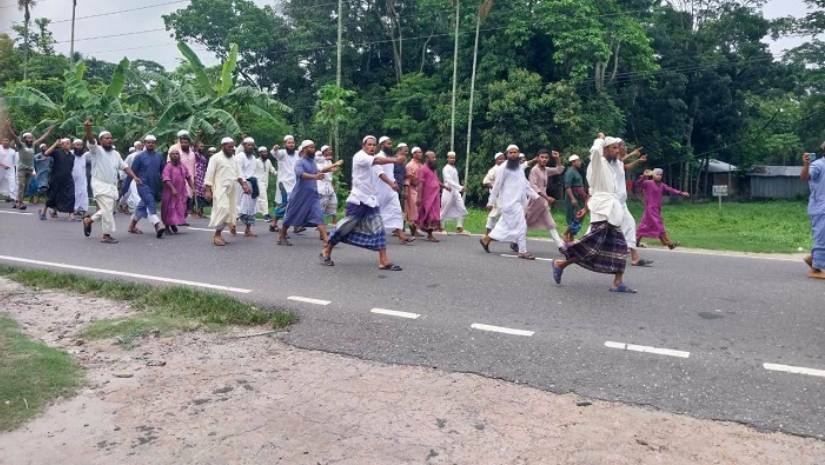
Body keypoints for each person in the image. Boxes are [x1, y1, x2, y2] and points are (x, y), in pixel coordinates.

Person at [552, 137, 635, 293]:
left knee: (620, 247)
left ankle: (618, 282)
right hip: (602, 211)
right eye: (614, 148)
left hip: (612, 211)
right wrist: (600, 140)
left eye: (618, 148)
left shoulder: (615, 165)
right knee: (591, 247)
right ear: (605, 149)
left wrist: (586, 208)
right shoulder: (598, 162)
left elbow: (621, 159)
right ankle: (559, 264)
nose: (617, 151)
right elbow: (595, 152)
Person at [322, 136, 406, 270]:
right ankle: (327, 251)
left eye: (374, 145)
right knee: (344, 228)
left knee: (379, 229)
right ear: (363, 146)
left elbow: (379, 170)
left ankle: (383, 261)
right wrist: (395, 159)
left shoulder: (373, 160)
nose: (372, 147)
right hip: (358, 200)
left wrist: (391, 183)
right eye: (369, 145)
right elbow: (377, 160)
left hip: (371, 200)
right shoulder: (360, 157)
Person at [80, 120, 140, 244]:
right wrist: (88, 129)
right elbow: (91, 140)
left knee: (108, 210)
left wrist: (134, 176)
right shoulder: (96, 150)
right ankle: (105, 235)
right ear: (101, 141)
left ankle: (89, 221)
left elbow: (125, 167)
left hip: (112, 187)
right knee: (107, 210)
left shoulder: (116, 154)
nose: (109, 140)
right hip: (99, 184)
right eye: (106, 138)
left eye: (110, 138)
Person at [479, 145, 540, 260]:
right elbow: (496, 186)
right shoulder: (503, 168)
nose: (513, 154)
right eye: (510, 152)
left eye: (515, 152)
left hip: (518, 203)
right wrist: (490, 202)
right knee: (522, 226)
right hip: (509, 204)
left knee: (503, 226)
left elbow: (525, 185)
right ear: (507, 154)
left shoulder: (519, 168)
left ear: (518, 153)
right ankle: (522, 251)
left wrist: (536, 197)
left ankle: (486, 240)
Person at [278, 140, 342, 246]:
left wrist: (330, 169)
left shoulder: (312, 162)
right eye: (310, 147)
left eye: (314, 147)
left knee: (319, 217)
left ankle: (327, 242)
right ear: (304, 149)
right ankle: (282, 236)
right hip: (299, 196)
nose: (313, 149)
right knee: (290, 217)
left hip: (312, 196)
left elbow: (317, 171)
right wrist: (314, 177)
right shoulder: (299, 162)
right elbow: (300, 174)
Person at [204, 138, 251, 246]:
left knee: (230, 213)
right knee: (223, 210)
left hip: (232, 189)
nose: (232, 149)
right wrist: (208, 190)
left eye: (233, 146)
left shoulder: (234, 159)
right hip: (219, 188)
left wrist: (244, 185)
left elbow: (239, 174)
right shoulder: (215, 158)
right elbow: (209, 174)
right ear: (222, 146)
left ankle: (220, 234)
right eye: (229, 147)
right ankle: (216, 235)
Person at [4, 121, 54, 210]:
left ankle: (17, 201)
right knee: (21, 185)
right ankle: (20, 203)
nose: (31, 139)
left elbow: (42, 138)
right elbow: (15, 137)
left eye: (31, 138)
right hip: (22, 169)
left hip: (30, 170)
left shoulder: (33, 145)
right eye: (29, 138)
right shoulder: (21, 145)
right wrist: (9, 128)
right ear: (24, 139)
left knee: (25, 187)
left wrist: (49, 131)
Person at [617, 142, 652, 266]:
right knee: (603, 229)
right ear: (616, 148)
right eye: (623, 146)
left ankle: (634, 257)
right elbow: (619, 161)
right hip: (613, 203)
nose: (626, 148)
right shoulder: (610, 162)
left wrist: (638, 160)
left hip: (621, 202)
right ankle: (578, 252)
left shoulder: (619, 163)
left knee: (630, 224)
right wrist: (632, 154)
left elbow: (625, 166)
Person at [636, 168, 689, 249]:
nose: (659, 176)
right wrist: (644, 176)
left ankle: (635, 242)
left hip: (656, 210)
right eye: (657, 174)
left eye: (661, 175)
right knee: (659, 226)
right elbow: (638, 184)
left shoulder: (662, 185)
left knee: (644, 227)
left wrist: (681, 193)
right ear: (653, 175)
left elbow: (671, 190)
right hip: (650, 209)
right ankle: (669, 243)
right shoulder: (648, 183)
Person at [126, 135, 166, 238]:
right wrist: (126, 187)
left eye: (152, 142)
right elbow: (132, 171)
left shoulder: (159, 156)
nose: (150, 144)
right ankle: (157, 225)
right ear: (144, 144)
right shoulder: (139, 157)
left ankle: (132, 226)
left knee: (142, 205)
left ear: (155, 144)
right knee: (150, 202)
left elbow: (163, 171)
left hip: (155, 185)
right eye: (148, 142)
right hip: (142, 185)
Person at [525, 149, 565, 247]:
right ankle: (514, 241)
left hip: (543, 203)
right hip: (535, 202)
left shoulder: (545, 170)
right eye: (542, 157)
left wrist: (557, 158)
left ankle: (561, 246)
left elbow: (559, 170)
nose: (544, 159)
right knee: (525, 222)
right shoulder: (535, 170)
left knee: (550, 224)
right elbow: (533, 186)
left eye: (546, 158)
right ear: (537, 158)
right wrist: (546, 197)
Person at [374, 141, 413, 244]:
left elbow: (392, 173)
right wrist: (391, 183)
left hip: (392, 190)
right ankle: (370, 233)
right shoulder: (378, 157)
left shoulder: (391, 158)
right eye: (388, 144)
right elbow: (380, 173)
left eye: (391, 144)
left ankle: (402, 236)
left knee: (396, 210)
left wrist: (394, 182)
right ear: (382, 145)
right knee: (377, 212)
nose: (391, 146)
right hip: (380, 190)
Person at [802, 146, 825, 279]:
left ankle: (813, 258)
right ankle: (815, 269)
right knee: (822, 238)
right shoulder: (818, 165)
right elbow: (805, 177)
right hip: (821, 208)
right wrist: (806, 164)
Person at [161, 147, 194, 235]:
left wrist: (193, 188)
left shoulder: (182, 166)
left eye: (177, 154)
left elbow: (188, 177)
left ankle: (174, 223)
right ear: (170, 156)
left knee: (179, 208)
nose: (175, 155)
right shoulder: (168, 166)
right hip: (170, 192)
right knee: (169, 209)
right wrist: (173, 189)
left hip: (181, 191)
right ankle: (167, 227)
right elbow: (166, 179)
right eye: (173, 154)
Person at [41, 138, 76, 220]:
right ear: (61, 145)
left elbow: (70, 168)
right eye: (64, 143)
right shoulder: (57, 152)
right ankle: (43, 212)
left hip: (68, 179)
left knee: (71, 196)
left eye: (68, 143)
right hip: (56, 178)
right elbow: (46, 153)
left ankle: (71, 215)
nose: (67, 144)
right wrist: (55, 144)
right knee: (52, 196)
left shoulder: (72, 156)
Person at [271, 135, 299, 232]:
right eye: (289, 143)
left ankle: (294, 225)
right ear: (285, 144)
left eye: (292, 143)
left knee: (295, 203)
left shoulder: (297, 154)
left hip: (295, 183)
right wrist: (275, 149)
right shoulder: (282, 153)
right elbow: (275, 153)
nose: (291, 145)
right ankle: (276, 224)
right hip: (284, 183)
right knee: (285, 204)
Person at [168, 130, 197, 223]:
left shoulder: (192, 152)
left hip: (189, 179)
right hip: (177, 179)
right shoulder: (175, 150)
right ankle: (175, 219)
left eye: (186, 141)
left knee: (186, 199)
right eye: (182, 141)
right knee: (179, 199)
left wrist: (194, 180)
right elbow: (169, 163)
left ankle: (181, 217)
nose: (184, 143)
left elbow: (193, 166)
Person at [234, 137, 259, 238]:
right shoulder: (240, 156)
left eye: (252, 145)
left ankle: (248, 230)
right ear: (244, 146)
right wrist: (244, 184)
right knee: (240, 208)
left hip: (252, 184)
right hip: (241, 184)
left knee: (251, 208)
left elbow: (254, 172)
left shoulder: (253, 158)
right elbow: (238, 171)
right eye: (248, 145)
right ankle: (232, 225)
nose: (251, 147)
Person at [416, 150, 444, 242]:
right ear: (427, 158)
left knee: (434, 215)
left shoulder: (433, 169)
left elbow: (436, 181)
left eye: (435, 157)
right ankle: (429, 234)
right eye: (433, 158)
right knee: (429, 215)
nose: (434, 159)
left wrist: (445, 186)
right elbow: (420, 184)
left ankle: (423, 230)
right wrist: (419, 197)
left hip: (435, 196)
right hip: (427, 197)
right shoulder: (423, 169)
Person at [441, 151, 469, 234]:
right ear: (447, 158)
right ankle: (441, 228)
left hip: (456, 192)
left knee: (461, 208)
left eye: (454, 158)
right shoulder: (446, 168)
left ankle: (459, 228)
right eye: (451, 157)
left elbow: (455, 181)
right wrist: (460, 187)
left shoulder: (454, 168)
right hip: (448, 191)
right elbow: (449, 180)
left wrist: (459, 188)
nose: (452, 159)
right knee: (444, 209)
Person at [563, 154, 588, 242]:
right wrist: (573, 198)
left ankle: (571, 237)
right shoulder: (570, 172)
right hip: (573, 197)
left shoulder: (577, 171)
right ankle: (566, 233)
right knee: (575, 217)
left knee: (580, 215)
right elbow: (567, 186)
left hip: (580, 196)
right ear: (573, 162)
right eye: (578, 161)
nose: (580, 162)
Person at [482, 152, 506, 234]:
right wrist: (495, 189)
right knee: (493, 214)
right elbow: (485, 181)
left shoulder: (505, 169)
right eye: (500, 159)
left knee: (504, 214)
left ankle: (498, 233)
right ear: (496, 160)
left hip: (504, 196)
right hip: (495, 197)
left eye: (503, 159)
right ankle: (488, 234)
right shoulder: (493, 170)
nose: (502, 160)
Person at [315, 145, 338, 225]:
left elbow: (330, 171)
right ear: (324, 152)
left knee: (334, 203)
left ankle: (334, 222)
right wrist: (335, 165)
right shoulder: (318, 160)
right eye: (329, 150)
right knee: (321, 207)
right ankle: (319, 225)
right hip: (322, 186)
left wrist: (334, 168)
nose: (330, 151)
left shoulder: (329, 161)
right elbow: (323, 170)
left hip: (329, 185)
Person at [404, 147, 424, 237]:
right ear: (414, 154)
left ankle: (414, 229)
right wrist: (407, 191)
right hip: (412, 189)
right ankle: (412, 230)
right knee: (413, 210)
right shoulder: (410, 165)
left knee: (418, 210)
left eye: (421, 152)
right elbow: (407, 179)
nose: (420, 154)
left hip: (420, 190)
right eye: (418, 152)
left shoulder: (421, 164)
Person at [254, 146, 277, 219]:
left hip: (265, 182)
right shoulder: (256, 161)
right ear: (260, 153)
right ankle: (266, 214)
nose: (265, 153)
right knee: (263, 197)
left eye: (266, 152)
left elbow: (272, 170)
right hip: (258, 182)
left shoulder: (268, 161)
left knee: (258, 198)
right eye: (263, 152)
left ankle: (250, 213)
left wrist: (278, 173)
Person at [70, 139, 89, 219]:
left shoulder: (85, 155)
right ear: (73, 146)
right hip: (71, 178)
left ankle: (83, 210)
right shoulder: (70, 154)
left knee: (83, 193)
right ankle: (73, 209)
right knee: (74, 193)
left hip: (82, 178)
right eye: (77, 145)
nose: (79, 147)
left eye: (81, 145)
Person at [193, 145, 211, 218]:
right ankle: (197, 211)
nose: (201, 147)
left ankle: (201, 211)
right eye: (200, 146)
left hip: (203, 175)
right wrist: (198, 135)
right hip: (197, 175)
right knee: (197, 194)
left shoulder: (203, 156)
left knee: (203, 193)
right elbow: (193, 147)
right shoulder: (196, 155)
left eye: (203, 146)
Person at [0, 137, 18, 203]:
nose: (5, 142)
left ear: (9, 142)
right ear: (1, 142)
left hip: (10, 170)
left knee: (12, 183)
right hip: (0, 169)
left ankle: (13, 198)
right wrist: (3, 165)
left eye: (7, 140)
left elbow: (15, 162)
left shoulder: (12, 151)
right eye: (4, 140)